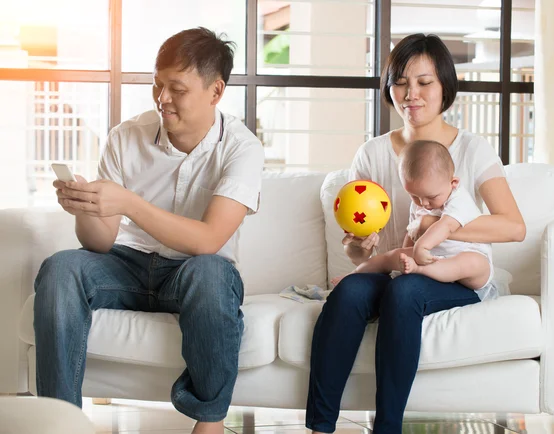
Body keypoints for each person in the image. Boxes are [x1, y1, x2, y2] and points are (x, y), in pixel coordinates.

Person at [34, 27, 264, 434]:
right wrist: (86, 208)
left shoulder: (241, 148)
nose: (162, 99)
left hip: (195, 271)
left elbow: (208, 240)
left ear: (215, 91)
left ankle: (209, 421)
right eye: (157, 86)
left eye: (177, 89)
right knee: (61, 268)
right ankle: (59, 421)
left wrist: (127, 203)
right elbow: (99, 243)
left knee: (211, 273)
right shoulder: (126, 137)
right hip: (128, 264)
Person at [306, 33, 526, 434]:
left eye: (425, 82)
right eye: (401, 82)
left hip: (451, 275)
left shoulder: (473, 150)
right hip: (395, 266)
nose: (412, 94)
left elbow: (513, 226)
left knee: (404, 292)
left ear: (445, 86)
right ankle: (320, 425)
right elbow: (358, 254)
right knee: (350, 291)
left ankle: (387, 427)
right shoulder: (371, 154)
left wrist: (440, 226)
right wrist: (359, 246)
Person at [332, 140, 493, 297]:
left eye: (431, 197)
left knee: (470, 263)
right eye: (415, 196)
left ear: (453, 182)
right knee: (388, 257)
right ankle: (353, 275)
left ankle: (420, 270)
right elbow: (412, 233)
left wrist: (421, 248)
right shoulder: (421, 202)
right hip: (431, 256)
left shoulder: (459, 199)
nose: (423, 203)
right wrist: (404, 257)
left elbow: (446, 226)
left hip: (466, 257)